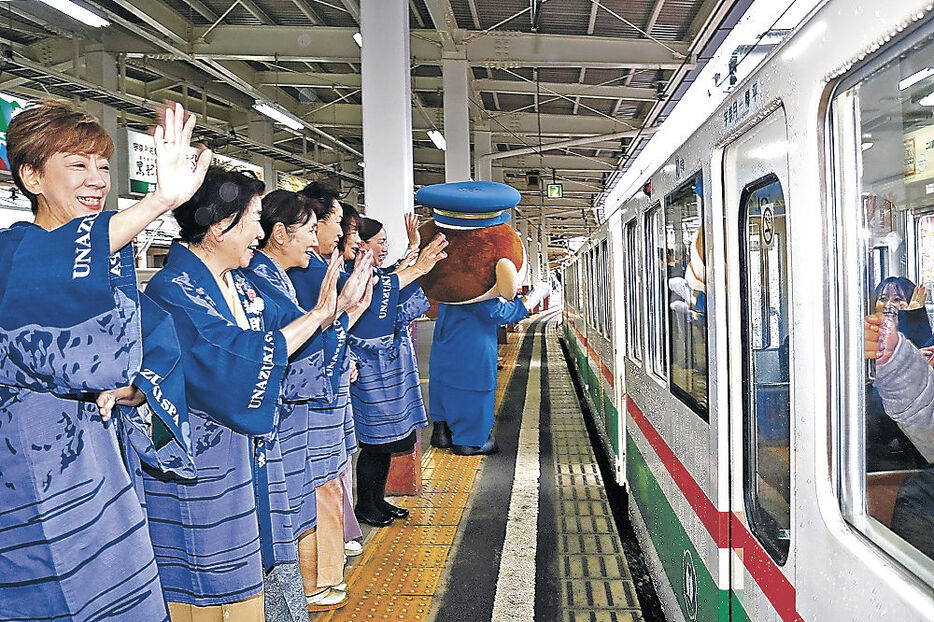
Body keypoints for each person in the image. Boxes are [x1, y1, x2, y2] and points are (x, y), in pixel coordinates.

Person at [0, 99, 210, 621]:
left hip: (102, 456)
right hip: (28, 462)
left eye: (101, 165)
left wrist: (132, 388)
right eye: (76, 164)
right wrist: (158, 201)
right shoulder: (11, 253)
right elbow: (51, 277)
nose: (95, 179)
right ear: (31, 177)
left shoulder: (107, 258)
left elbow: (151, 349)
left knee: (120, 589)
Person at [141, 168, 361, 619]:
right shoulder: (174, 289)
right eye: (252, 220)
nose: (259, 234)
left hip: (247, 454)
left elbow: (295, 330)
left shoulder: (240, 282)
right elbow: (233, 357)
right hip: (202, 462)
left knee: (254, 565)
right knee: (206, 575)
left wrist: (333, 314)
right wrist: (322, 312)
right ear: (220, 227)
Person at [244, 189, 374, 611]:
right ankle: (313, 583)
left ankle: (313, 583)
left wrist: (343, 310)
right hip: (289, 412)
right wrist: (338, 312)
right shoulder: (266, 278)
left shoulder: (278, 274)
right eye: (312, 227)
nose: (322, 234)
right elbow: (289, 346)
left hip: (298, 408)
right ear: (280, 234)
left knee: (311, 489)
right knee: (306, 491)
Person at [349, 215, 440, 526]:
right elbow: (393, 302)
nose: (385, 248)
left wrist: (414, 246)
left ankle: (377, 500)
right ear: (360, 244)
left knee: (387, 443)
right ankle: (366, 505)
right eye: (381, 242)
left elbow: (397, 279)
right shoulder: (355, 278)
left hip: (390, 371)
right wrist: (417, 262)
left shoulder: (378, 276)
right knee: (375, 443)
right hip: (372, 373)